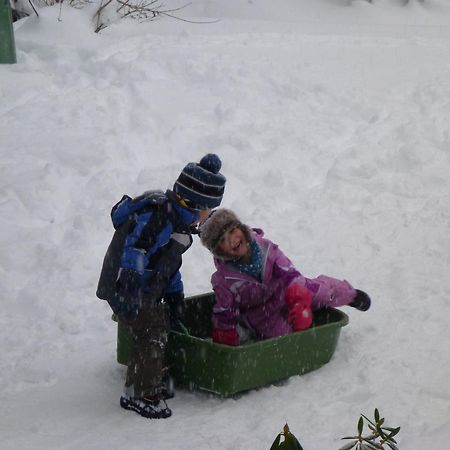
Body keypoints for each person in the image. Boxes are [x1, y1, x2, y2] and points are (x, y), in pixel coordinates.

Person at [96, 154, 226, 418]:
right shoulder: (158, 218)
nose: (207, 217)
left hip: (145, 288)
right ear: (192, 204)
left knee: (160, 324)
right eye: (206, 211)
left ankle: (152, 376)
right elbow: (135, 250)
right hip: (124, 285)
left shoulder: (179, 226)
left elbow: (168, 265)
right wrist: (131, 288)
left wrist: (175, 293)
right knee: (151, 331)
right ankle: (140, 392)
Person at [199, 209, 370, 346]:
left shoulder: (265, 249)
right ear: (219, 251)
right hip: (260, 313)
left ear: (241, 227)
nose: (233, 240)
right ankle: (287, 337)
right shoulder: (225, 280)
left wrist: (300, 302)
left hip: (285, 290)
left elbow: (290, 275)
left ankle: (348, 295)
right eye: (223, 239)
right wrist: (225, 337)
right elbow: (225, 311)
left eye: (232, 230)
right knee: (283, 339)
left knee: (320, 293)